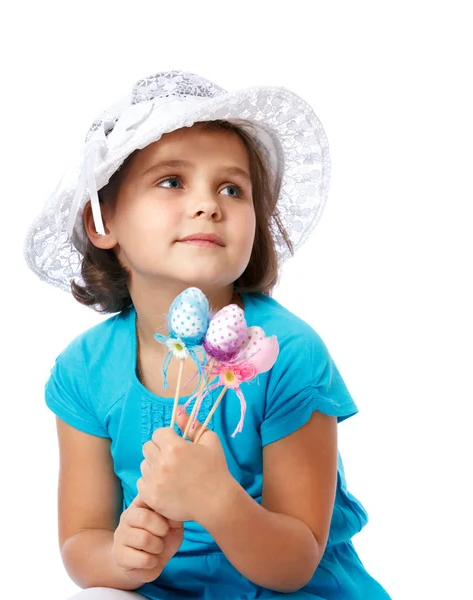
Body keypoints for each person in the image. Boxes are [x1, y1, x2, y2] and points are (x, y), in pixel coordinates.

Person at [24, 70, 391, 599]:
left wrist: (217, 500)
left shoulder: (287, 354)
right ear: (104, 222)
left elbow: (296, 561)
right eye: (171, 181)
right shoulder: (83, 370)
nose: (208, 204)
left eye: (232, 188)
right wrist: (124, 557)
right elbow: (82, 540)